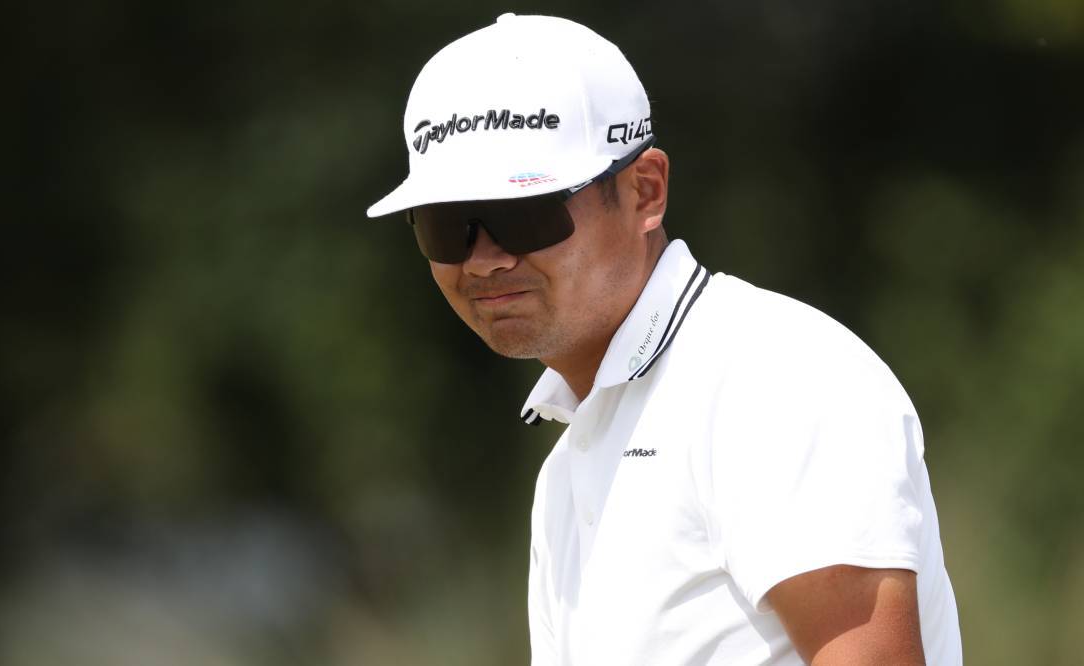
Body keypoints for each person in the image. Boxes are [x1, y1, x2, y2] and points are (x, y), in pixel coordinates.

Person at [367, 13, 961, 666]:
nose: (483, 261)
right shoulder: (568, 467)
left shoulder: (772, 378)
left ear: (645, 191)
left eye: (523, 213)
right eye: (445, 225)